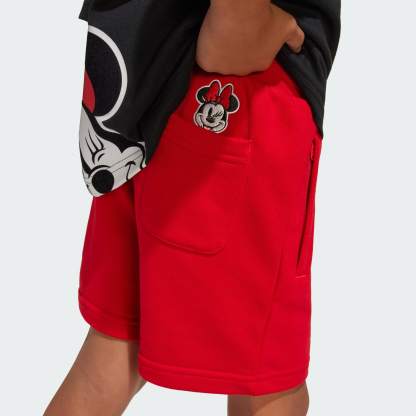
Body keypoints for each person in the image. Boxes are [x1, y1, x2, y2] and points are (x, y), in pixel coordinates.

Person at [45, 0, 340, 415]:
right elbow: (230, 39)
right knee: (269, 389)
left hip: (140, 92)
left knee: (112, 359)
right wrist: (246, 22)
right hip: (235, 100)